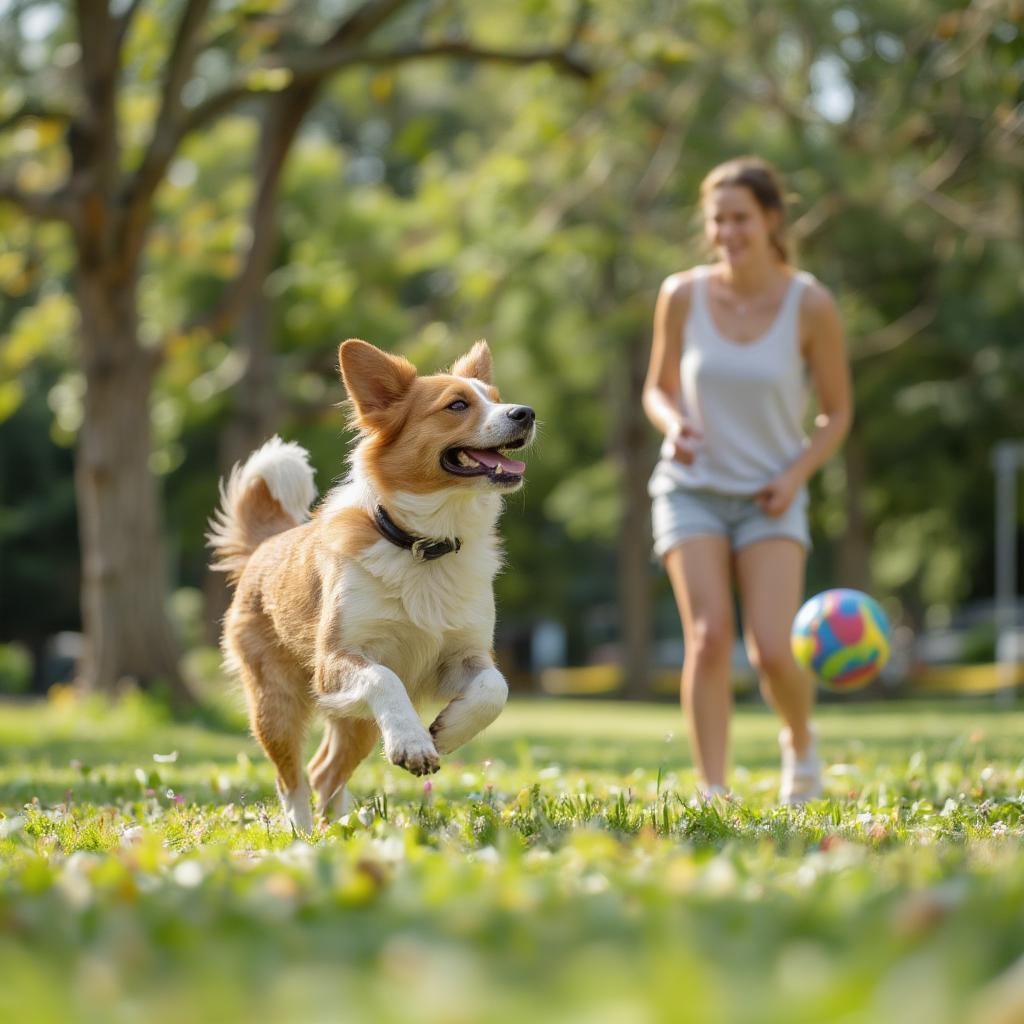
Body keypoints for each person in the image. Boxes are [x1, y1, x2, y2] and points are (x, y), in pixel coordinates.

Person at [642, 156, 852, 803]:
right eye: (717, 220)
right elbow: (657, 388)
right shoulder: (682, 294)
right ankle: (713, 787)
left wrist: (796, 477)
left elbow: (836, 413)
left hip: (770, 495)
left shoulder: (809, 303)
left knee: (771, 648)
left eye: (741, 218)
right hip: (691, 489)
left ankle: (800, 740)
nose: (728, 232)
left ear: (770, 219)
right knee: (707, 639)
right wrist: (674, 423)